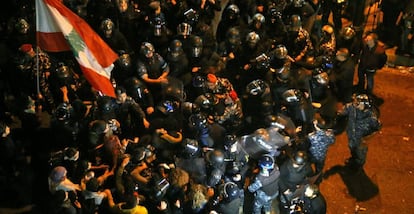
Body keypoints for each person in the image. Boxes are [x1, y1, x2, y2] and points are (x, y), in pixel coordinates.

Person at [338, 93, 381, 170]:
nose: (356, 103)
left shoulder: (371, 117)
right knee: (351, 147)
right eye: (356, 102)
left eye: (358, 103)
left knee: (360, 152)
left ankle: (358, 165)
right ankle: (354, 158)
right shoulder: (351, 107)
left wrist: (367, 139)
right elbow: (342, 112)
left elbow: (377, 128)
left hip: (361, 139)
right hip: (351, 134)